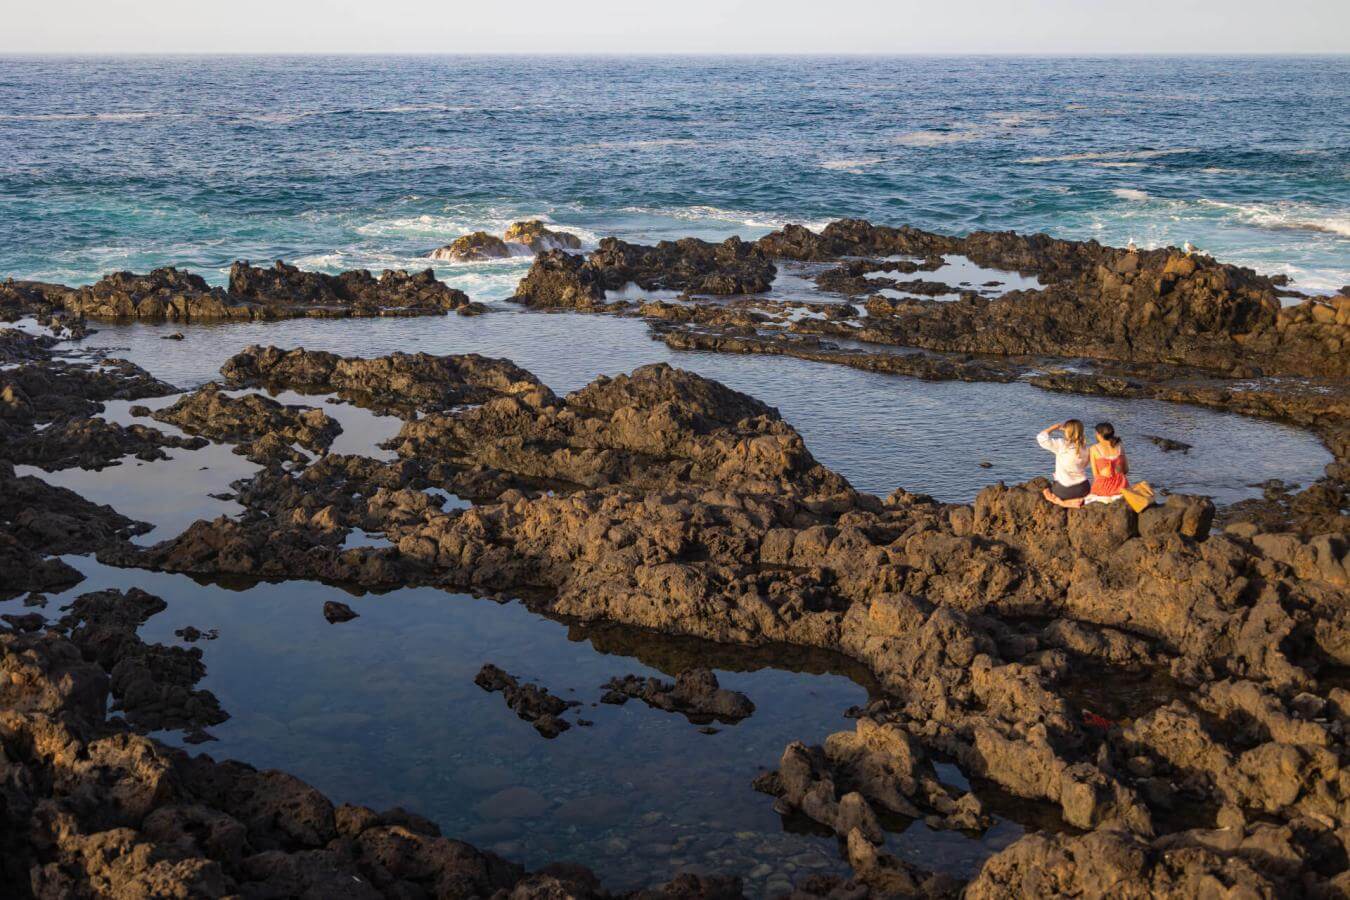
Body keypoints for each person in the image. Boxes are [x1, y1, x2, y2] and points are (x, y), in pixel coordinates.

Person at [1038, 420, 1091, 507]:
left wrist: (1055, 427)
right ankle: (1075, 501)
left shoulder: (1061, 445)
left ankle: (1061, 502)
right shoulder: (1086, 449)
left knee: (1045, 492)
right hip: (1083, 489)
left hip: (1063, 489)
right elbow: (1084, 465)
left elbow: (1041, 438)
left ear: (1066, 431)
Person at [1085, 422, 1129, 503]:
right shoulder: (1119, 446)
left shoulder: (1094, 449)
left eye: (1096, 433)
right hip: (1121, 486)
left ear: (1099, 435)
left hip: (1103, 487)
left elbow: (1095, 474)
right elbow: (1126, 470)